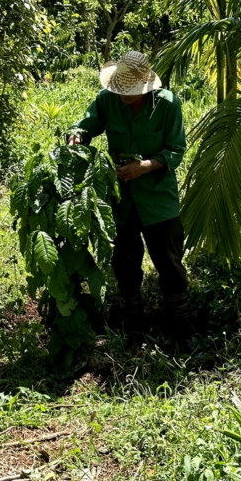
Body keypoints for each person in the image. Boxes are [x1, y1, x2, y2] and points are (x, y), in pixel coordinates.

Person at [69, 50, 192, 345]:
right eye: (120, 89)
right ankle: (133, 331)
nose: (124, 95)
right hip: (121, 200)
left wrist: (145, 167)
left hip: (158, 200)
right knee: (125, 265)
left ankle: (182, 332)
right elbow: (84, 126)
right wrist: (75, 137)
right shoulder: (107, 99)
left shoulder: (166, 104)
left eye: (130, 91)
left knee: (170, 265)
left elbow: (176, 149)